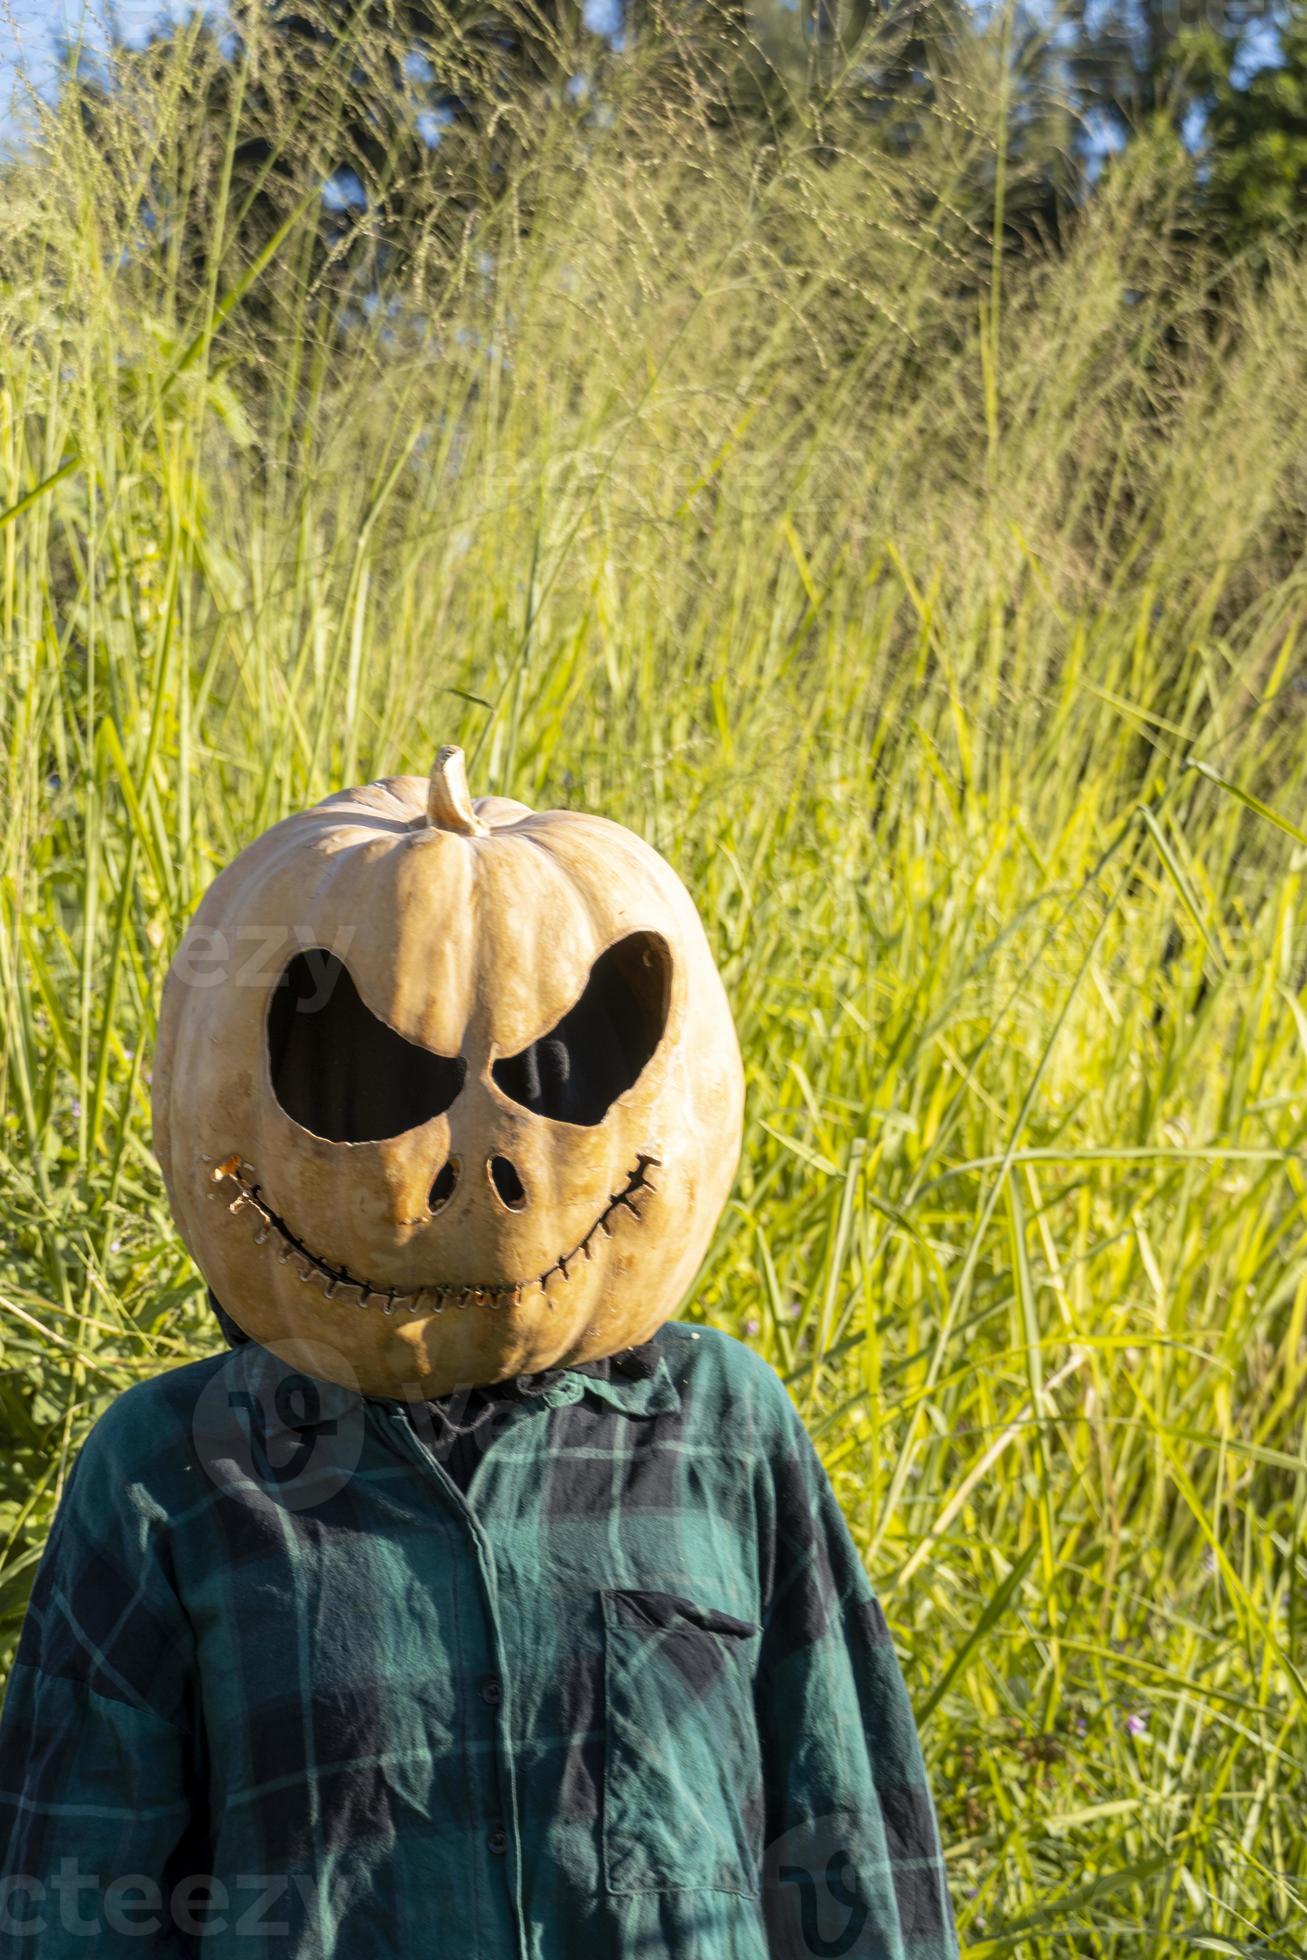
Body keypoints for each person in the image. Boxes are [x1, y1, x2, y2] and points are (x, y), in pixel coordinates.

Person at [0, 752, 958, 1959]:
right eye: (375, 1087)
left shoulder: (721, 1426)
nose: (475, 1170)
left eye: (555, 1076)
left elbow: (848, 1839)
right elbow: (69, 1899)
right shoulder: (172, 1469)